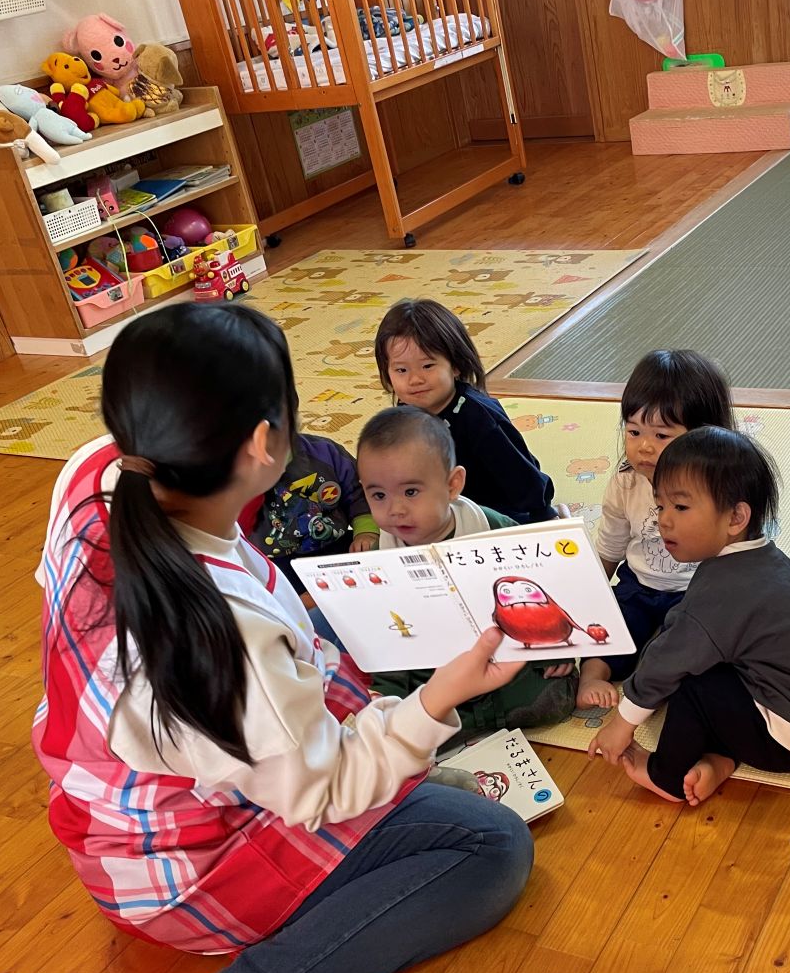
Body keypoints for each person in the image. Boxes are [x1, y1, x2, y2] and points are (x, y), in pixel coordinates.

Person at [31, 304, 533, 973]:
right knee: (493, 847)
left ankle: (399, 788)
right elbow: (319, 790)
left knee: (359, 665)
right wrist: (435, 700)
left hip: (117, 805)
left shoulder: (95, 468)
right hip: (184, 866)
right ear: (266, 444)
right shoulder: (222, 639)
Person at [587, 427, 790, 806]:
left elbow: (666, 662)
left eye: (680, 507)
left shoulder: (721, 592)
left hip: (784, 737)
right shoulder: (772, 561)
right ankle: (720, 760)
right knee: (710, 664)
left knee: (692, 683)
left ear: (736, 517)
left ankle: (666, 776)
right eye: (660, 506)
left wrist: (621, 723)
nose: (664, 521)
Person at [356, 405, 578, 740]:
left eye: (411, 492)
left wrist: (553, 651)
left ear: (452, 484)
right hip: (438, 672)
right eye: (378, 495)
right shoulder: (379, 558)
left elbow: (545, 585)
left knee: (553, 695)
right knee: (406, 722)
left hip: (505, 655)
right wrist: (387, 695)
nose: (395, 509)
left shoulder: (491, 527)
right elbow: (387, 638)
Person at [574, 349, 734, 710]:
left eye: (662, 435)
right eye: (633, 431)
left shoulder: (720, 486)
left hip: (697, 590)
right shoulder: (626, 483)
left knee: (697, 644)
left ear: (704, 436)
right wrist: (589, 602)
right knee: (611, 628)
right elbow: (610, 547)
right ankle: (592, 676)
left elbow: (739, 551)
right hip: (639, 584)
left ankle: (661, 680)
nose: (644, 446)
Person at [374, 298, 556, 524]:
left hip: (498, 510)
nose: (415, 379)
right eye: (401, 370)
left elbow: (519, 472)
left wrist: (543, 514)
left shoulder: (477, 415)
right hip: (446, 508)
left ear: (455, 365)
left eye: (427, 366)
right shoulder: (405, 412)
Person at [238, 431, 375, 648]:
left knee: (374, 568)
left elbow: (359, 492)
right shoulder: (233, 471)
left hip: (336, 545)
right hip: (277, 562)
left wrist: (365, 532)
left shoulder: (324, 453)